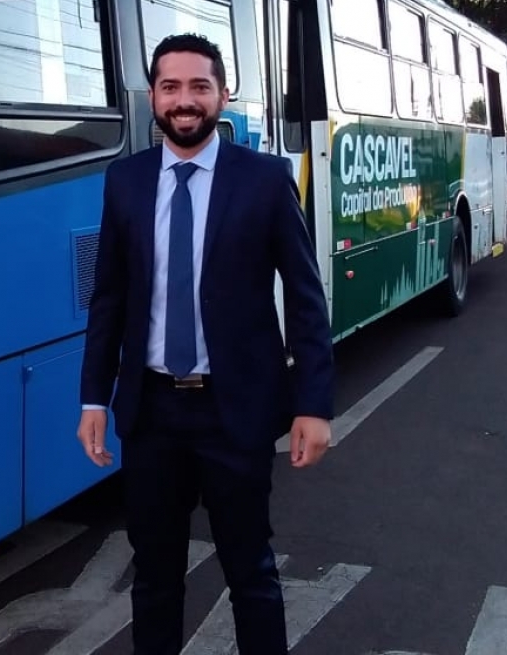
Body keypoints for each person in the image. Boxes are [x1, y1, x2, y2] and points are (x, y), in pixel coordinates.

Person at [77, 33, 334, 654]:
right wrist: (93, 398)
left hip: (234, 410)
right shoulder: (125, 181)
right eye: (171, 87)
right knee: (155, 578)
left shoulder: (266, 181)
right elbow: (109, 298)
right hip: (153, 413)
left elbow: (305, 297)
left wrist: (313, 404)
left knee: (251, 573)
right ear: (153, 98)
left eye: (199, 86)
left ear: (223, 94)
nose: (184, 100)